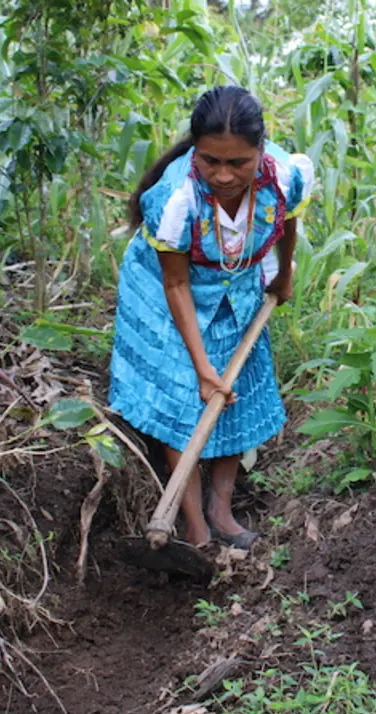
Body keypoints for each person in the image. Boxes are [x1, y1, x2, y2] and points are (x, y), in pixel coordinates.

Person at [108, 85, 313, 550]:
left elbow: (288, 219)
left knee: (235, 389)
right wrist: (201, 370)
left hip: (237, 284)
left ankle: (222, 512)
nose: (222, 175)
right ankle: (194, 528)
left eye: (237, 163)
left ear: (260, 152)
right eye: (209, 161)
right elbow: (175, 284)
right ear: (194, 151)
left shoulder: (284, 177)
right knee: (185, 400)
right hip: (167, 293)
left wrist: (282, 274)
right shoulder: (174, 200)